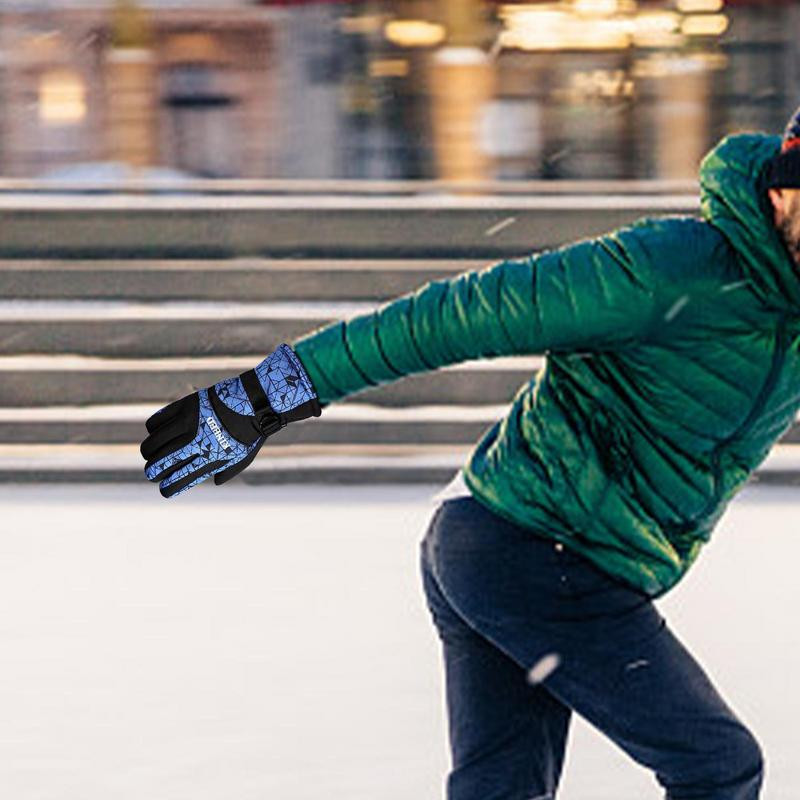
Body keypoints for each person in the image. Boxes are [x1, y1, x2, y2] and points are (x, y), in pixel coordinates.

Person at [139, 106, 800, 798]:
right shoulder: (671, 269)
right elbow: (457, 316)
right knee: (717, 766)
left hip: (516, 555)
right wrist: (258, 400)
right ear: (781, 190)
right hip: (537, 555)